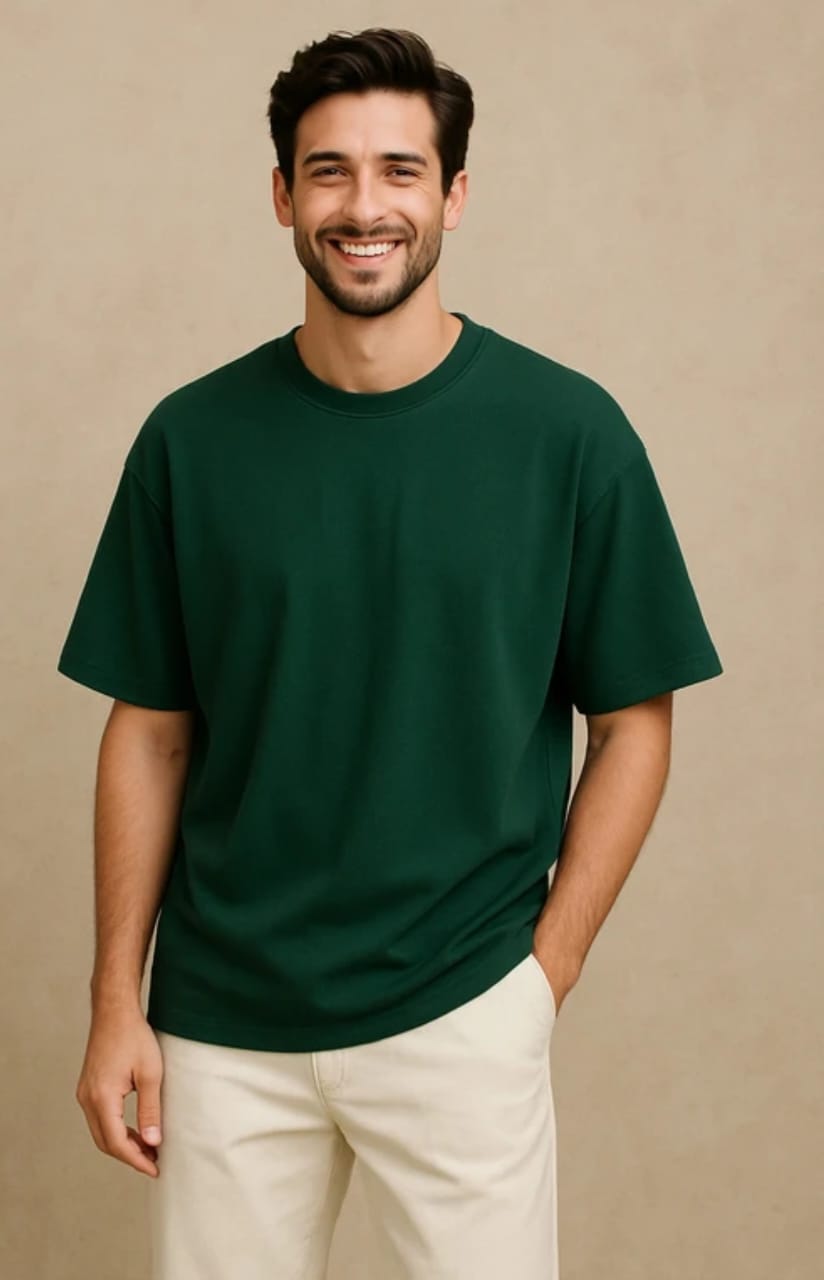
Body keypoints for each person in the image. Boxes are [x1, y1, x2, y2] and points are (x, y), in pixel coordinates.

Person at [57, 26, 724, 1280]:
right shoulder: (190, 441)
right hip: (222, 1022)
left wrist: (543, 974)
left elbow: (635, 717)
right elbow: (147, 731)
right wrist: (113, 1003)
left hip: (462, 1002)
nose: (364, 207)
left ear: (453, 195)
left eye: (399, 170)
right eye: (329, 171)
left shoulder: (567, 434)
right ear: (281, 195)